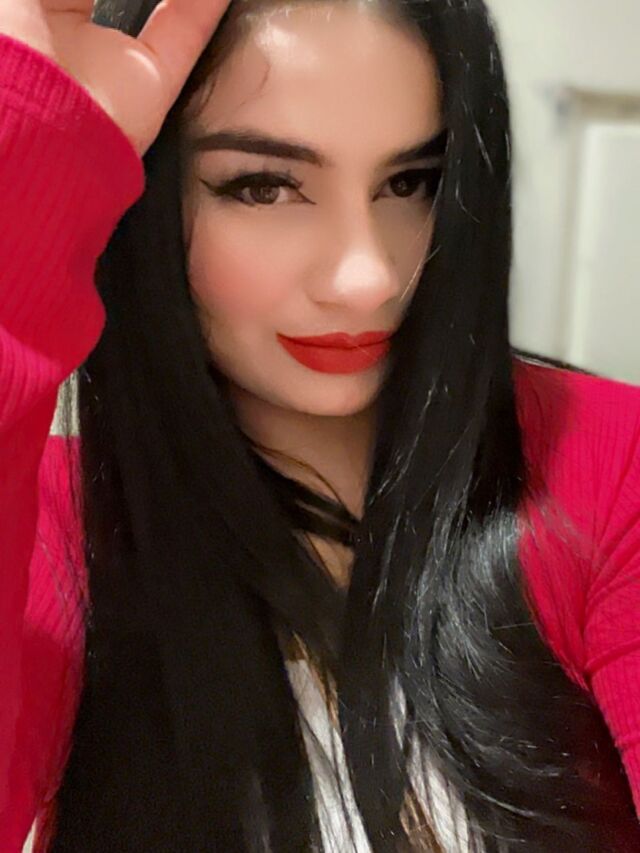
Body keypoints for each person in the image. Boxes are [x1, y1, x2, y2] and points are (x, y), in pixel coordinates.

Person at [0, 0, 639, 850]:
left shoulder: (608, 460)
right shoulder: (52, 525)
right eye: (263, 186)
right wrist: (25, 190)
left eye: (411, 182)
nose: (367, 277)